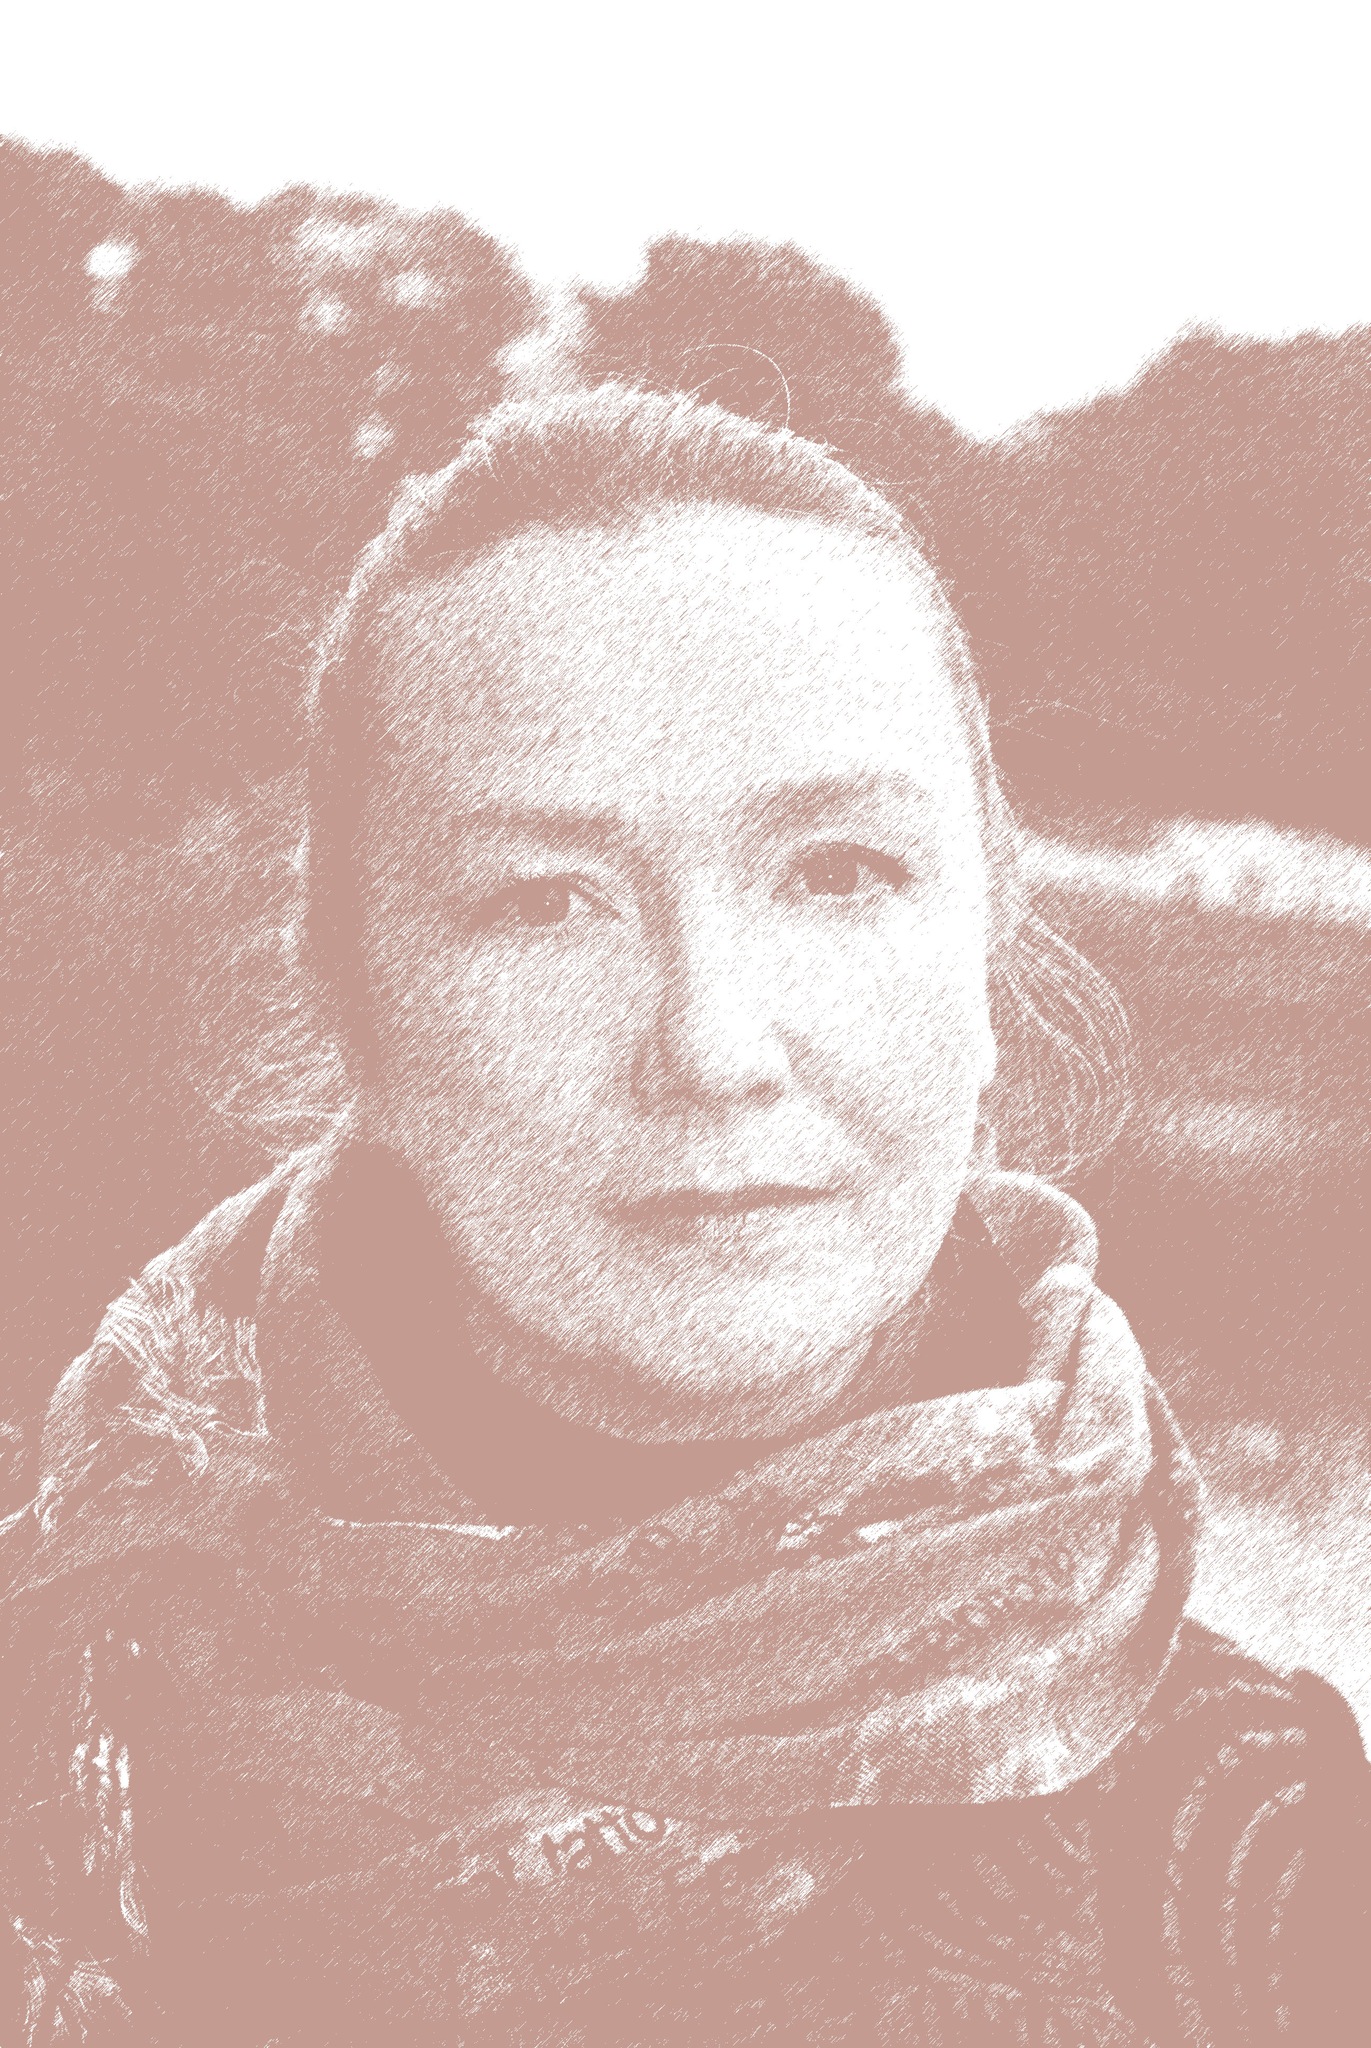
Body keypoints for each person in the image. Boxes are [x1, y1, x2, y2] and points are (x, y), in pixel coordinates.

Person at [2, 384, 1365, 2047]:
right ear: (353, 996)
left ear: (989, 948)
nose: (716, 1048)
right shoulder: (52, 1659)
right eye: (545, 901)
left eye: (839, 870)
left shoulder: (1275, 1867)